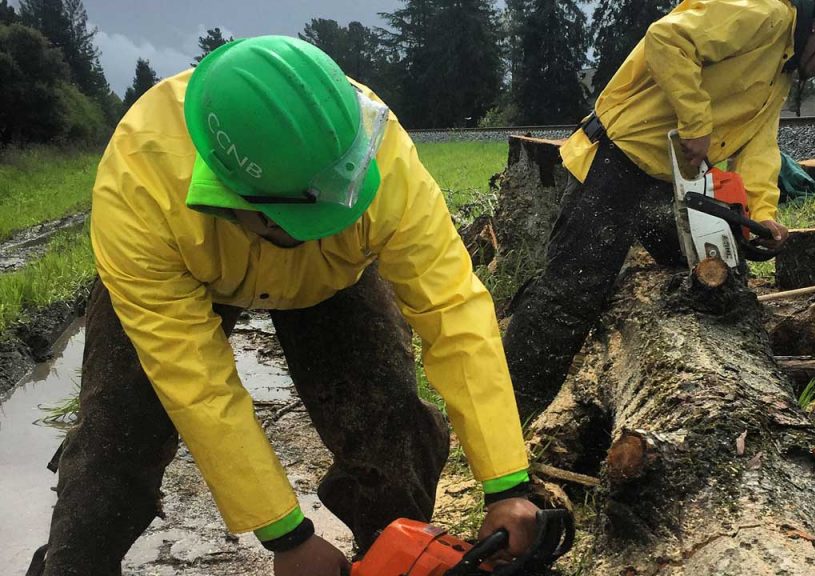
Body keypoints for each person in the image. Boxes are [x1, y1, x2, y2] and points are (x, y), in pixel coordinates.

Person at [30, 36, 539, 576]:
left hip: (333, 278)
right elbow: (195, 380)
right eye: (306, 215)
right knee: (115, 444)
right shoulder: (140, 186)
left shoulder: (383, 155)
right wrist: (286, 535)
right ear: (231, 200)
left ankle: (390, 557)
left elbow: (453, 312)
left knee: (391, 436)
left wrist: (507, 483)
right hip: (185, 275)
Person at [503, 0, 815, 417]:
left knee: (717, 278)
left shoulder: (781, 70)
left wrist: (761, 214)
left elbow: (760, 145)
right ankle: (510, 414)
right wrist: (696, 123)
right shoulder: (765, 15)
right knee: (572, 292)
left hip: (672, 181)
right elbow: (667, 38)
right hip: (619, 159)